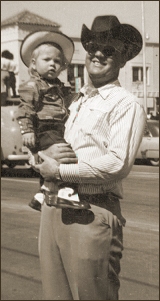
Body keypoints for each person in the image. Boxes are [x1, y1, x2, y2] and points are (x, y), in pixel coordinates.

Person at [33, 16, 146, 300]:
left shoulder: (125, 104)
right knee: (54, 295)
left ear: (122, 59)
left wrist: (59, 172)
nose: (98, 53)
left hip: (91, 212)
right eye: (93, 45)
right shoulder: (73, 100)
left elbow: (116, 164)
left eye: (109, 50)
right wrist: (42, 155)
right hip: (53, 207)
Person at [16, 31, 89, 211]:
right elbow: (24, 109)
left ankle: (43, 193)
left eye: (57, 62)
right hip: (45, 127)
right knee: (66, 155)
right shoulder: (32, 85)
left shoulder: (57, 86)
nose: (52, 64)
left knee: (54, 159)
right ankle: (67, 193)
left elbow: (66, 99)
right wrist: (27, 130)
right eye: (47, 60)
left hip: (57, 127)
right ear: (34, 63)